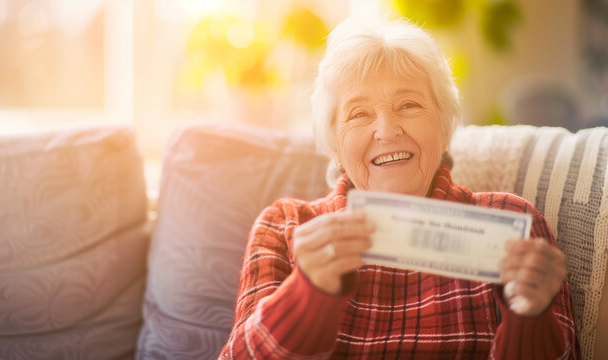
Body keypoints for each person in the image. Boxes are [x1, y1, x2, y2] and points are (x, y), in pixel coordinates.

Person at [219, 18, 578, 359]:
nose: (387, 130)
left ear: (444, 127)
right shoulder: (285, 226)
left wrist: (530, 319)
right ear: (335, 146)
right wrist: (306, 295)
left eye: (409, 105)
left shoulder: (512, 223)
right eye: (359, 113)